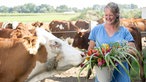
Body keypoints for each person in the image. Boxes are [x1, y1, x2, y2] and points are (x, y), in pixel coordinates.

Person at [88, 2, 136, 82]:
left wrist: (118, 54)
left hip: (121, 76)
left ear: (117, 14)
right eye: (106, 15)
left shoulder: (124, 31)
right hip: (103, 76)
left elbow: (133, 50)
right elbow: (90, 50)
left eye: (111, 15)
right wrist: (98, 56)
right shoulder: (96, 30)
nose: (108, 17)